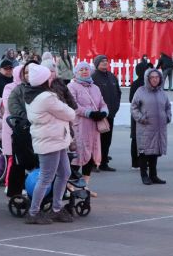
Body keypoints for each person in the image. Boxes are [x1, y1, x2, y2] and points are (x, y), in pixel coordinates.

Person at [24, 63, 76, 225]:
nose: (51, 77)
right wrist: (63, 115)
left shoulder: (33, 93)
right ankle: (33, 212)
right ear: (43, 80)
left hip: (55, 139)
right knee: (46, 178)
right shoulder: (47, 97)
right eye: (48, 76)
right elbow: (70, 113)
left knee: (64, 173)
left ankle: (56, 208)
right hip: (50, 140)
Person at [67, 61, 107, 195]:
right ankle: (69, 185)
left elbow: (102, 103)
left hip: (94, 128)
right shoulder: (71, 86)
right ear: (76, 72)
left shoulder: (95, 87)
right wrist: (89, 113)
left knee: (90, 156)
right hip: (80, 127)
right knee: (77, 156)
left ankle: (85, 186)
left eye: (86, 69)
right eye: (81, 70)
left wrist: (103, 112)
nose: (84, 71)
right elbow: (73, 105)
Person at [131, 68, 171, 185]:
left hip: (159, 128)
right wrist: (141, 118)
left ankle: (153, 175)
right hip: (145, 128)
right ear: (147, 78)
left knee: (155, 152)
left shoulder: (162, 92)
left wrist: (167, 117)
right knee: (144, 153)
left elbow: (168, 107)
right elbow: (134, 107)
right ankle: (144, 175)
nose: (155, 79)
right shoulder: (140, 91)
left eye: (157, 77)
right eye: (152, 77)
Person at [3, 64, 29, 197]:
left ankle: (24, 185)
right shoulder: (10, 87)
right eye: (24, 73)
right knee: (14, 158)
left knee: (25, 158)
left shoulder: (32, 87)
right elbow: (10, 106)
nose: (27, 76)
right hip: (13, 126)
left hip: (27, 128)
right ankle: (10, 186)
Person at [92, 54, 121, 171]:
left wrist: (115, 108)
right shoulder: (93, 77)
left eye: (106, 61)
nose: (104, 63)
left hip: (110, 115)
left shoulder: (112, 76)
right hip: (98, 116)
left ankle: (104, 163)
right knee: (96, 140)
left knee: (107, 140)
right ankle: (94, 163)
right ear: (97, 64)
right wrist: (97, 112)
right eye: (102, 61)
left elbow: (118, 93)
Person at [129, 62, 150, 168]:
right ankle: (136, 162)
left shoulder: (150, 83)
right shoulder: (137, 84)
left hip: (148, 115)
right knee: (136, 138)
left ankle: (144, 161)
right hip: (137, 115)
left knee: (147, 138)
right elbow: (131, 100)